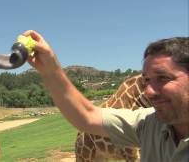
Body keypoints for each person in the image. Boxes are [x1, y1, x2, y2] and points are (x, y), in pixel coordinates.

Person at [21, 30, 189, 162]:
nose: (149, 91)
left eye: (163, 78)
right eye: (146, 80)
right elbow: (88, 116)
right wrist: (49, 68)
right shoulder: (149, 124)